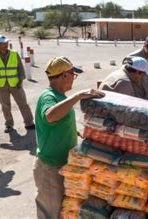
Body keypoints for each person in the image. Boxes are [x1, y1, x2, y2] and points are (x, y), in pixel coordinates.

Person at [34, 56, 104, 219]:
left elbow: (60, 123)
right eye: (73, 74)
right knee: (50, 213)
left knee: (62, 211)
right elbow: (50, 116)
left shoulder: (60, 97)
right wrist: (77, 96)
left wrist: (81, 133)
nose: (74, 78)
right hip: (50, 167)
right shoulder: (48, 96)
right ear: (64, 75)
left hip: (63, 164)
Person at [0, 35, 35, 133]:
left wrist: (21, 80)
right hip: (1, 85)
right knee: (5, 106)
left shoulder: (14, 54)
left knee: (23, 103)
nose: (6, 45)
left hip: (15, 84)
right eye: (3, 43)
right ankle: (9, 125)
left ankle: (29, 123)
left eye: (6, 43)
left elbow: (20, 68)